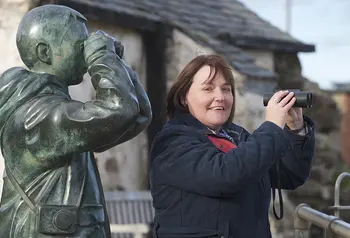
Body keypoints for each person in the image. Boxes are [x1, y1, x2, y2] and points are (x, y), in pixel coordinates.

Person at [0, 4, 152, 238]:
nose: (86, 52)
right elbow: (119, 110)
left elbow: (137, 115)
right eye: (80, 44)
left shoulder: (51, 107)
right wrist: (102, 57)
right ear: (45, 53)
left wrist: (116, 63)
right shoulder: (37, 116)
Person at [149, 54, 315, 238]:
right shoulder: (172, 142)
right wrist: (273, 127)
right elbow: (225, 175)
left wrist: (296, 129)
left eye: (226, 89)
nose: (220, 97)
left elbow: (289, 175)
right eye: (208, 89)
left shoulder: (237, 136)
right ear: (183, 98)